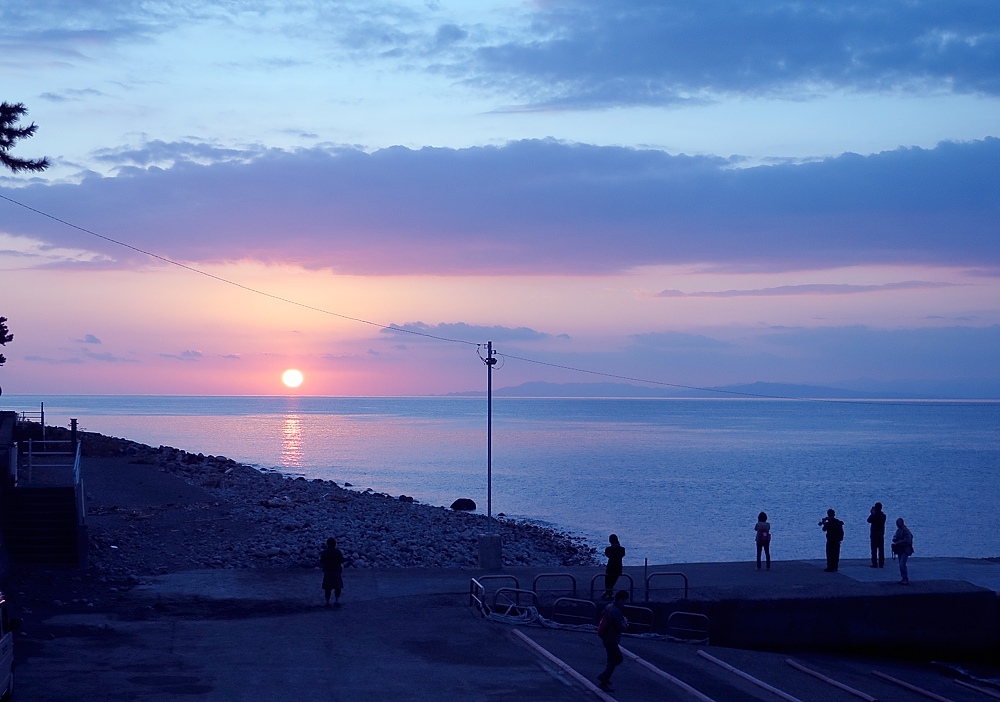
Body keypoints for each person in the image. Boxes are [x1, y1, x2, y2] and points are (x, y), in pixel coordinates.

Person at [596, 590, 629, 692]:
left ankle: (604, 676)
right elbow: (621, 627)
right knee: (614, 660)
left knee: (617, 658)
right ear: (620, 599)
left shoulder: (609, 607)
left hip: (606, 637)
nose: (625, 602)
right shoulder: (616, 611)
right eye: (624, 600)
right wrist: (626, 624)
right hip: (612, 639)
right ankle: (604, 681)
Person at [320, 537, 346, 607]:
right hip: (336, 572)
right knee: (338, 587)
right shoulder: (337, 552)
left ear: (327, 544)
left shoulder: (324, 552)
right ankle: (336, 601)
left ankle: (327, 602)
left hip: (327, 572)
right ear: (335, 544)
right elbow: (342, 560)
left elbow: (321, 561)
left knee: (327, 588)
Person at [891, 517, 914, 584]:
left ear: (901, 523)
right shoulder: (899, 530)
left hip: (905, 550)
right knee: (901, 564)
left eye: (897, 523)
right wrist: (894, 539)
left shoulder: (906, 531)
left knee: (902, 564)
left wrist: (898, 542)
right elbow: (895, 537)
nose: (896, 524)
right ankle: (903, 578)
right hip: (900, 550)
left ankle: (905, 578)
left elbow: (908, 540)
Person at [602, 534, 626, 599]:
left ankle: (609, 594)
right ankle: (608, 593)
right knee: (612, 582)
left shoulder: (608, 549)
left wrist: (613, 547)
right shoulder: (622, 549)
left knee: (608, 582)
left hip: (610, 568)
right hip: (618, 568)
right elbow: (621, 555)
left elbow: (608, 555)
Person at [867, 502, 887, 568]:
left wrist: (872, 513)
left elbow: (868, 520)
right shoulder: (883, 516)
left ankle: (874, 563)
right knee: (881, 550)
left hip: (874, 535)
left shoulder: (874, 516)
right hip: (881, 534)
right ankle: (881, 563)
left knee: (874, 550)